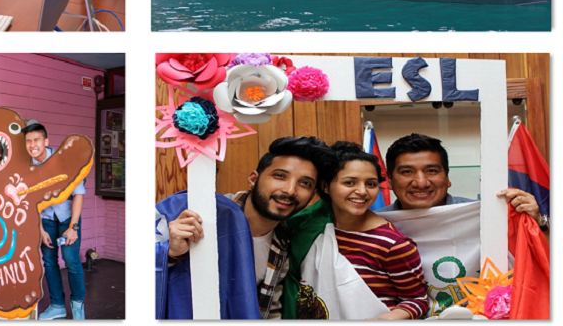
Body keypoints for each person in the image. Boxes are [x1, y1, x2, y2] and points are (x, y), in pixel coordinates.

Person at [156, 136, 336, 319]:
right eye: (280, 176)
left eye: (305, 183)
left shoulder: (284, 243)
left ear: (312, 195)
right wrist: (169, 253)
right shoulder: (199, 214)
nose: (290, 190)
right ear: (253, 179)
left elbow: (269, 310)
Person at [286, 142, 429, 319]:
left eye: (371, 184)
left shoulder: (393, 245)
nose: (362, 191)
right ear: (325, 186)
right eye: (349, 182)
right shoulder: (310, 231)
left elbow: (418, 300)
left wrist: (384, 320)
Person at [379, 133, 546, 230]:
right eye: (407, 172)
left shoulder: (486, 216)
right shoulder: (373, 225)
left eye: (431, 171)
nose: (421, 183)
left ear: (447, 177)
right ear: (390, 181)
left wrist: (538, 223)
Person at [25, 123, 87, 320]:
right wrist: (39, 229)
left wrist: (73, 227)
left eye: (36, 140)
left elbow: (78, 193)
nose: (32, 145)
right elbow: (29, 201)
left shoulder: (64, 160)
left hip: (68, 217)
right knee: (50, 262)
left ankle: (78, 306)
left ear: (46, 141)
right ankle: (57, 305)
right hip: (45, 220)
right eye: (28, 141)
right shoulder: (27, 167)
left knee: (71, 261)